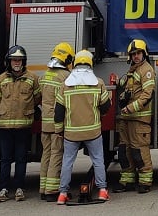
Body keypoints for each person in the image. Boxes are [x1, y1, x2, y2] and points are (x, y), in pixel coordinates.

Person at [55, 49, 112, 204]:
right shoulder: (98, 83)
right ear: (90, 63)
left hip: (71, 133)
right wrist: (99, 115)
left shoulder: (65, 85)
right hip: (93, 131)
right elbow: (107, 105)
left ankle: (62, 193)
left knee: (67, 162)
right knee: (98, 160)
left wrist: (59, 130)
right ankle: (102, 191)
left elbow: (58, 111)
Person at [0, 45, 42, 202]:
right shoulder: (0, 79)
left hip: (23, 125)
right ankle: (3, 189)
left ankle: (19, 188)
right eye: (14, 60)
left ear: (24, 62)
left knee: (21, 158)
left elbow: (37, 98)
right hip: (5, 126)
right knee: (5, 159)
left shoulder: (32, 78)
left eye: (19, 60)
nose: (17, 63)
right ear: (9, 62)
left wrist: (25, 110)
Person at [113, 38, 156, 194]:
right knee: (125, 151)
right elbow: (127, 87)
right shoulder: (132, 70)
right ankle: (127, 181)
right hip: (126, 118)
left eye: (138, 53)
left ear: (144, 53)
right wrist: (118, 82)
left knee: (139, 151)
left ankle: (145, 182)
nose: (135, 56)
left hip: (139, 119)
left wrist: (130, 108)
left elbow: (147, 94)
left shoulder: (147, 70)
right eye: (133, 54)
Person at [39, 42, 75, 201]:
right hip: (56, 124)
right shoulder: (66, 77)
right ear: (67, 58)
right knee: (56, 155)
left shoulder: (45, 75)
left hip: (45, 123)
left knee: (46, 154)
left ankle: (43, 188)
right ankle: (52, 190)